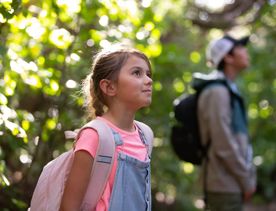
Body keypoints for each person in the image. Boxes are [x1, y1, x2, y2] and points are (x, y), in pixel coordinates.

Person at [59, 44, 153, 211]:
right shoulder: (94, 136)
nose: (149, 80)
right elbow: (69, 207)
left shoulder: (145, 135)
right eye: (137, 73)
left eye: (148, 74)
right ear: (109, 87)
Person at [193, 35, 256, 211]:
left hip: (230, 184)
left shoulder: (227, 89)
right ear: (228, 57)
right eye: (240, 48)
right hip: (223, 185)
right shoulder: (217, 92)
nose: (246, 51)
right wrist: (246, 179)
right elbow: (223, 143)